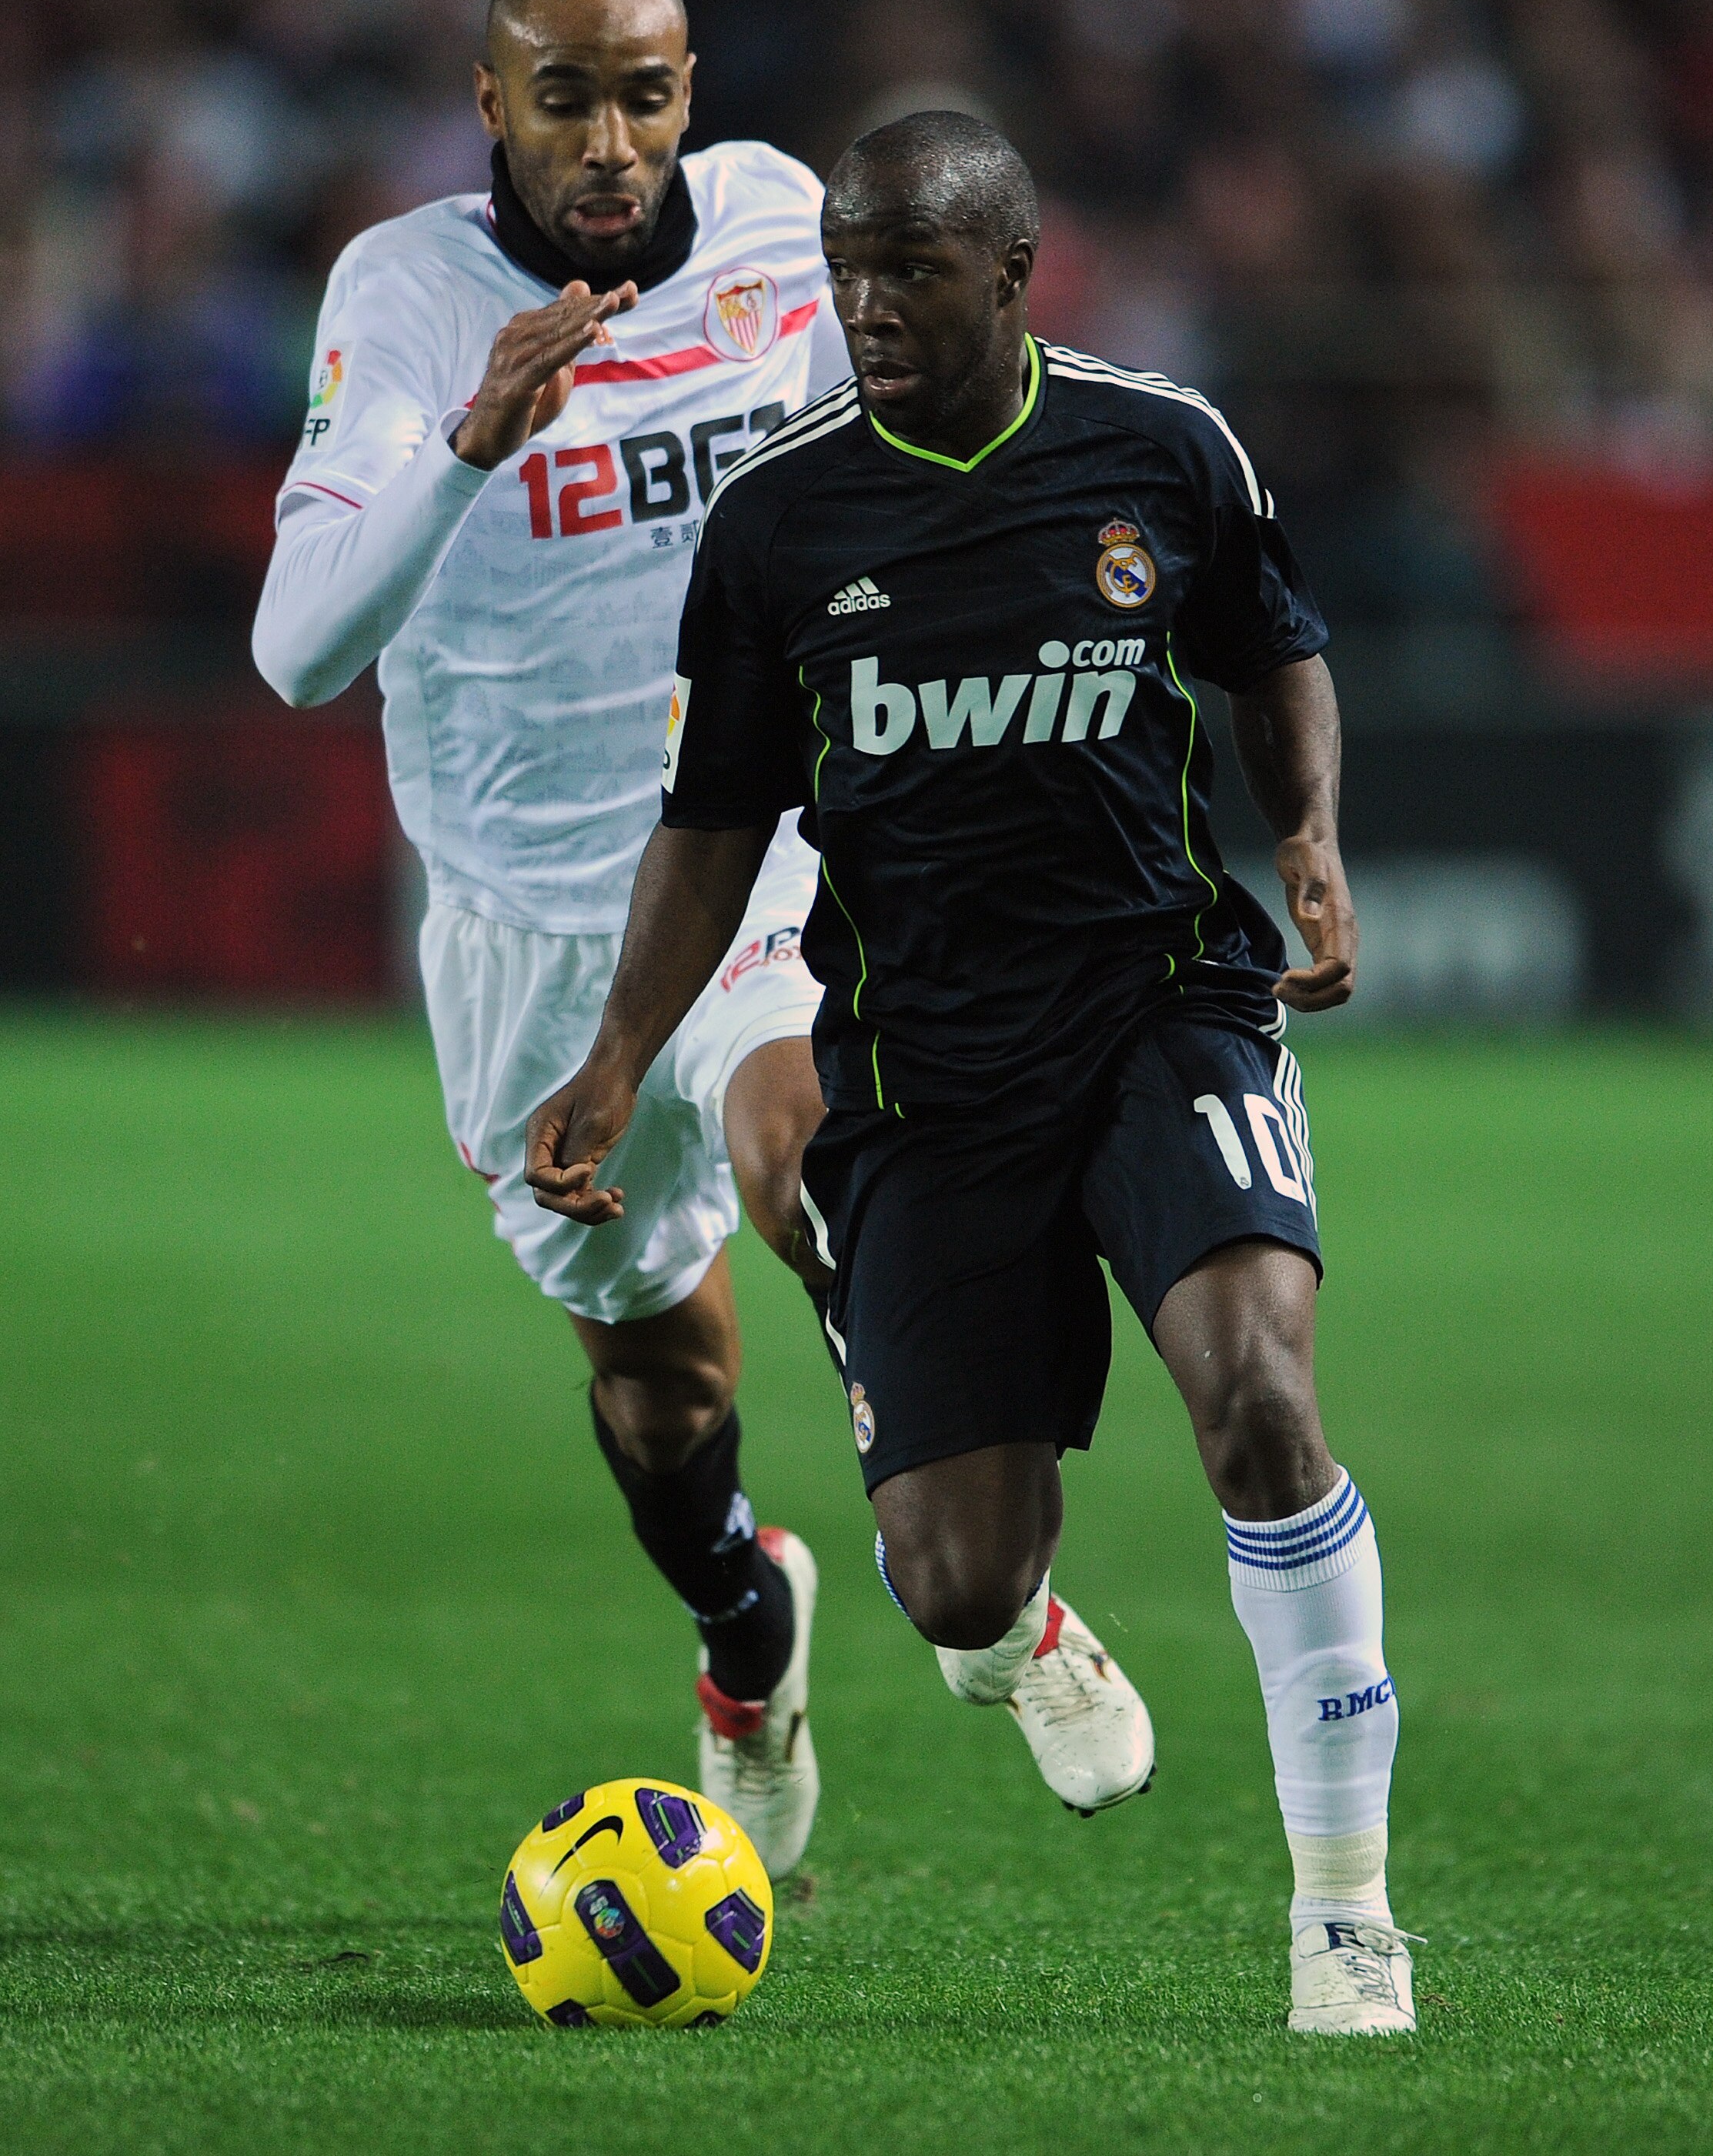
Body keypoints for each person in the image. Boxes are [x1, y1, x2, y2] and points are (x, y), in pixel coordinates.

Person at [525, 111, 1415, 2034]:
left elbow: (1272, 651)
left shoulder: (1160, 447)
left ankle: (1341, 1915)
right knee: (947, 1581)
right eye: (843, 270)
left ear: (1010, 276)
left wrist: (1313, 841)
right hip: (921, 1069)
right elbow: (708, 822)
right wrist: (614, 1055)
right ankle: (999, 1619)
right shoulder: (777, 523)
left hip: (1157, 1006)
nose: (863, 308)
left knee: (1258, 1400)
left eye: (907, 272)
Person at [252, 0, 856, 1877]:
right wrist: (463, 450)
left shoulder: (784, 229)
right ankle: (744, 1636)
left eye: (648, 93)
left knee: (811, 1166)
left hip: (757, 845)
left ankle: (991, 1589)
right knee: (661, 1383)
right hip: (525, 916)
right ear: (488, 100)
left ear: (693, 89)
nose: (612, 143)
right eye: (567, 98)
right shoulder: (406, 295)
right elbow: (293, 656)